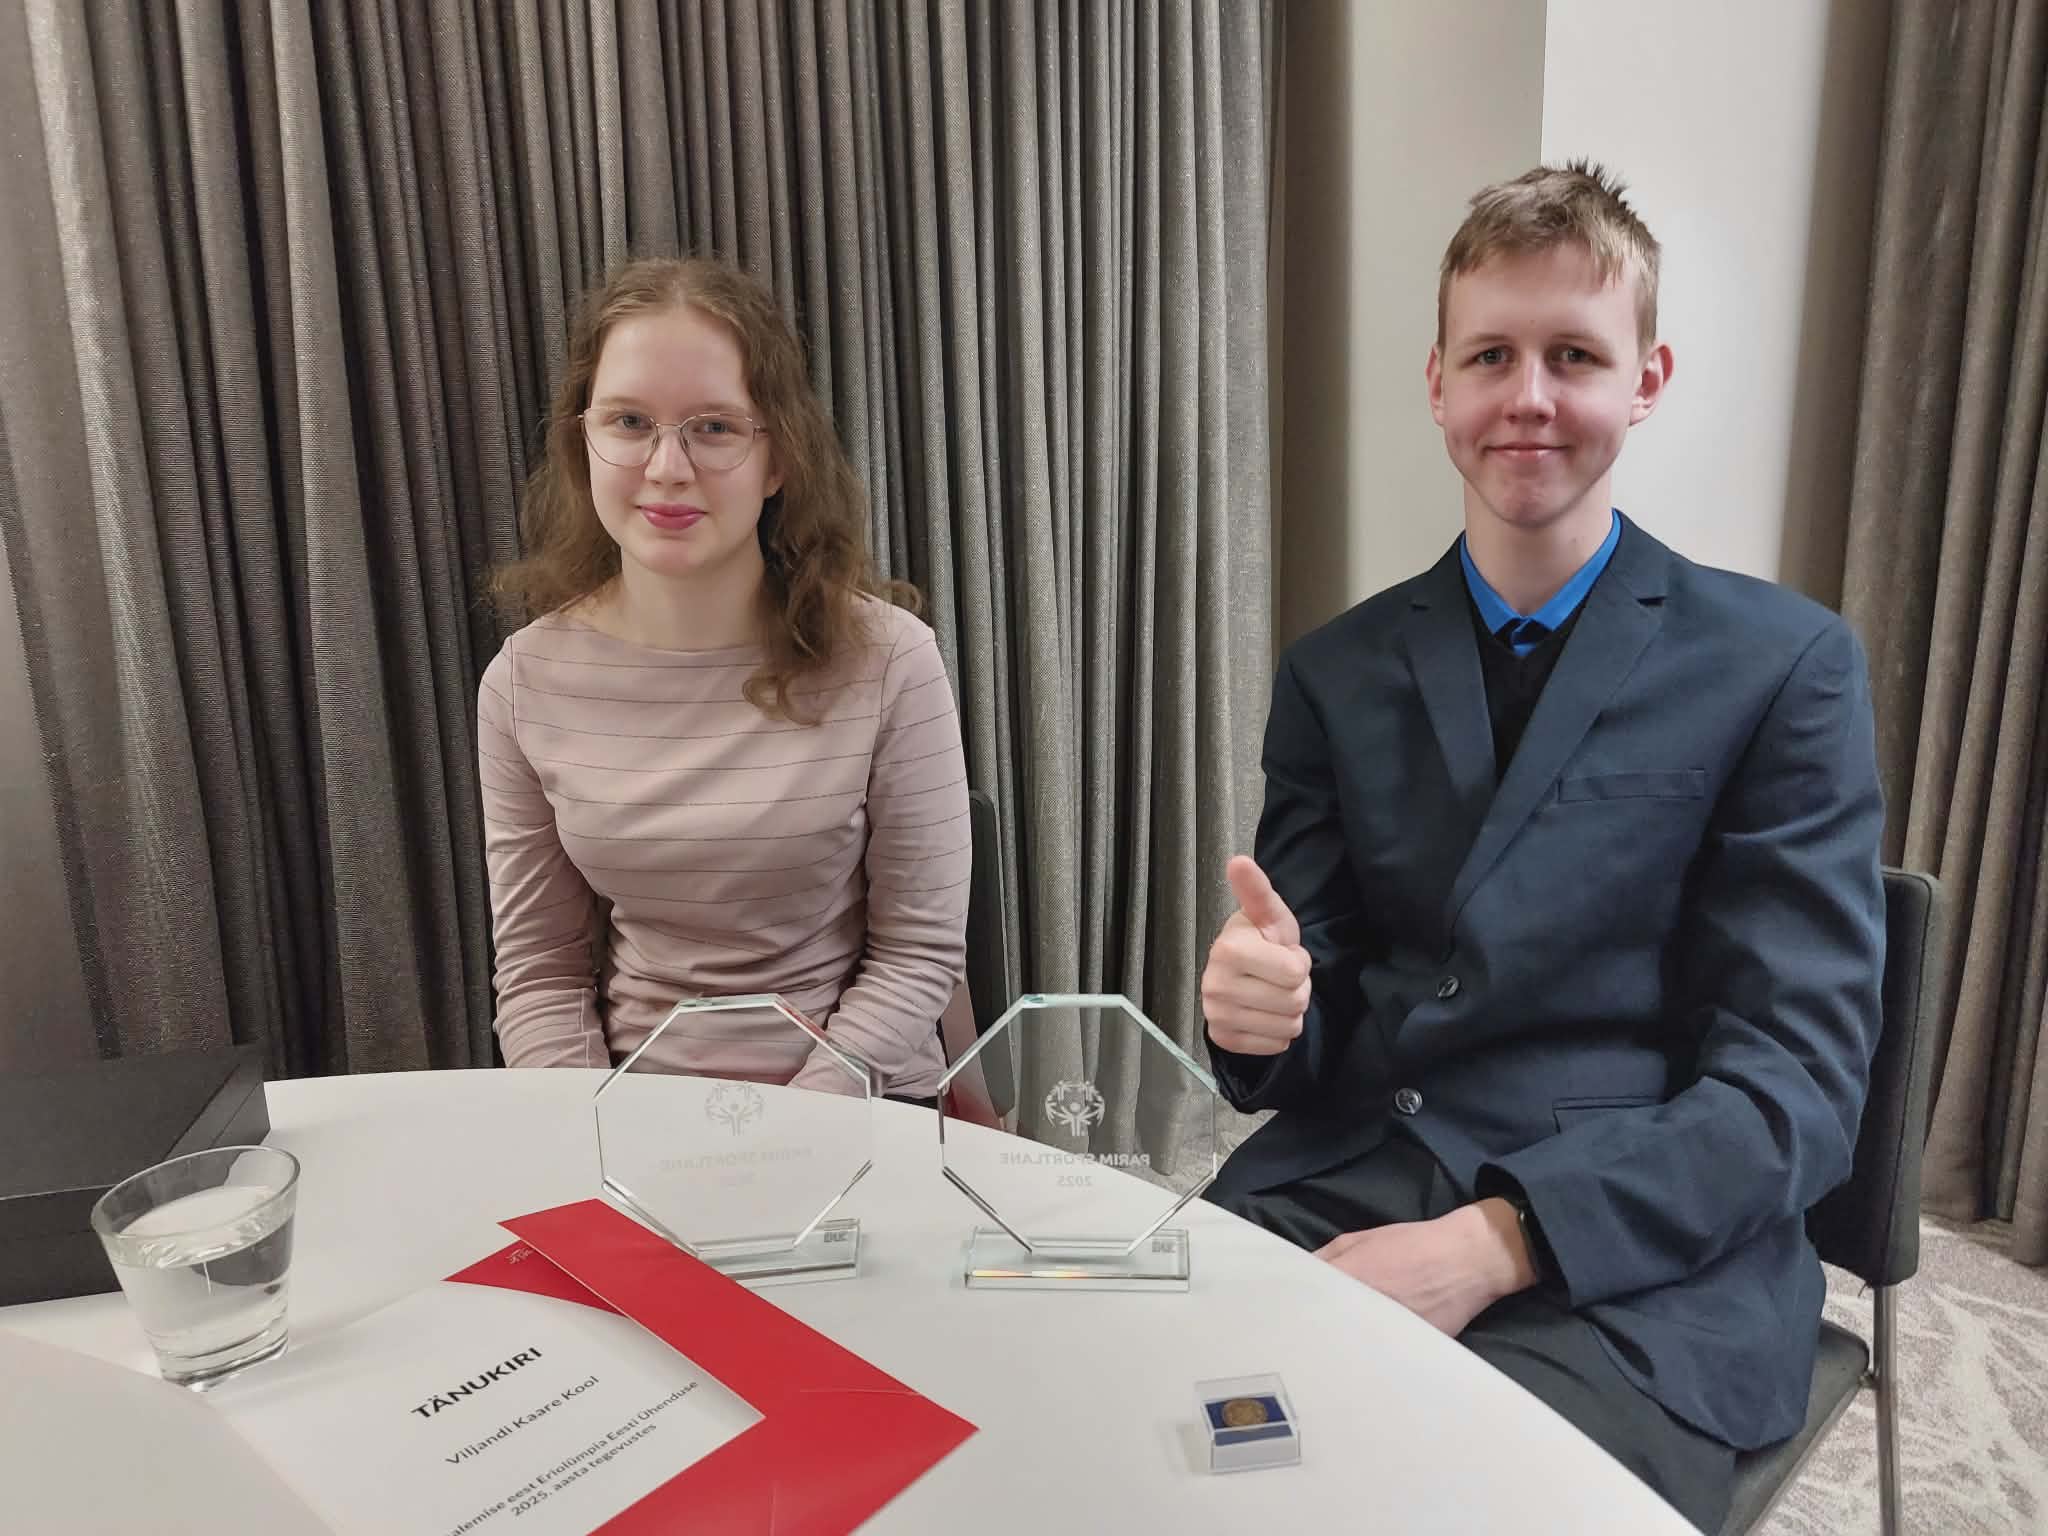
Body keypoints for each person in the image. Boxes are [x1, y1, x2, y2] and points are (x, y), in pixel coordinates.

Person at [1198, 163, 1885, 1533]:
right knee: (1147, 1440)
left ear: (1645, 380)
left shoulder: (1782, 664)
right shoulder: (1335, 671)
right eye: (1490, 356)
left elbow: (1798, 1086)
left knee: (1440, 1505)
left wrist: (1493, 1245)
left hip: (1640, 1254)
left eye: (1573, 355)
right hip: (1351, 1180)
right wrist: (1262, 1011)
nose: (1528, 396)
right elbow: (1313, 998)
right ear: (1437, 384)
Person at [478, 256, 969, 1099]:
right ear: (583, 442)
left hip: (862, 1099)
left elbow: (917, 953)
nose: (667, 467)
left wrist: (804, 1125)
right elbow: (541, 971)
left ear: (778, 460)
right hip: (633, 1107)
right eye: (629, 422)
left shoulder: (891, 660)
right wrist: (587, 1129)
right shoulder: (523, 682)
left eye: (714, 427)